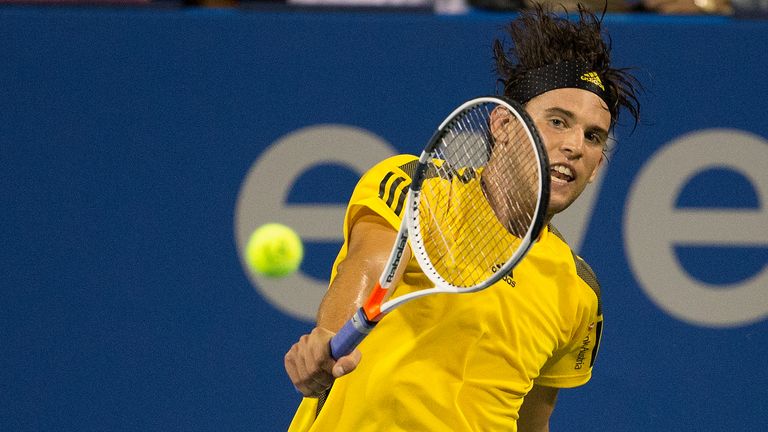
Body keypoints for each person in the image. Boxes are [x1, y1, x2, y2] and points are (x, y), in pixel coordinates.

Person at [284, 4, 641, 431]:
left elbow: (533, 423)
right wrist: (328, 336)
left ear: (599, 162)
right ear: (504, 125)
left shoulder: (579, 292)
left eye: (593, 136)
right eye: (558, 121)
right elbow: (371, 262)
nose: (575, 146)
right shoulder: (421, 187)